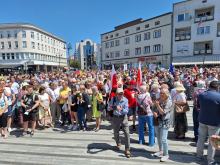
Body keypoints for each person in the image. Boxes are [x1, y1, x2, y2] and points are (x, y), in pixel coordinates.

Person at [196, 81, 220, 165]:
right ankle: (210, 160)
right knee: (213, 142)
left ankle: (199, 156)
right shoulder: (219, 96)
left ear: (209, 86)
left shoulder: (201, 95)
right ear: (217, 87)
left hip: (202, 120)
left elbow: (198, 106)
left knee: (201, 139)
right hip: (214, 122)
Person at [108, 88, 131, 158]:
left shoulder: (125, 100)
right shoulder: (113, 99)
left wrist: (121, 109)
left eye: (122, 94)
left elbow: (126, 111)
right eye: (119, 94)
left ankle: (127, 149)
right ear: (116, 94)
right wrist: (114, 107)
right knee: (116, 132)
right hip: (115, 117)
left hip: (124, 117)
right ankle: (118, 142)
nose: (121, 95)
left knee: (127, 133)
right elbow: (108, 108)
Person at [152, 88, 173, 162]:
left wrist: (157, 106)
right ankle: (161, 151)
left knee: (164, 139)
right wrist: (154, 112)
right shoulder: (159, 99)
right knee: (158, 137)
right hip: (158, 121)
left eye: (163, 93)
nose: (161, 94)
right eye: (160, 93)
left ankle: (166, 154)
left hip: (165, 122)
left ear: (167, 94)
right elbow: (153, 108)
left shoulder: (169, 102)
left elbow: (163, 112)